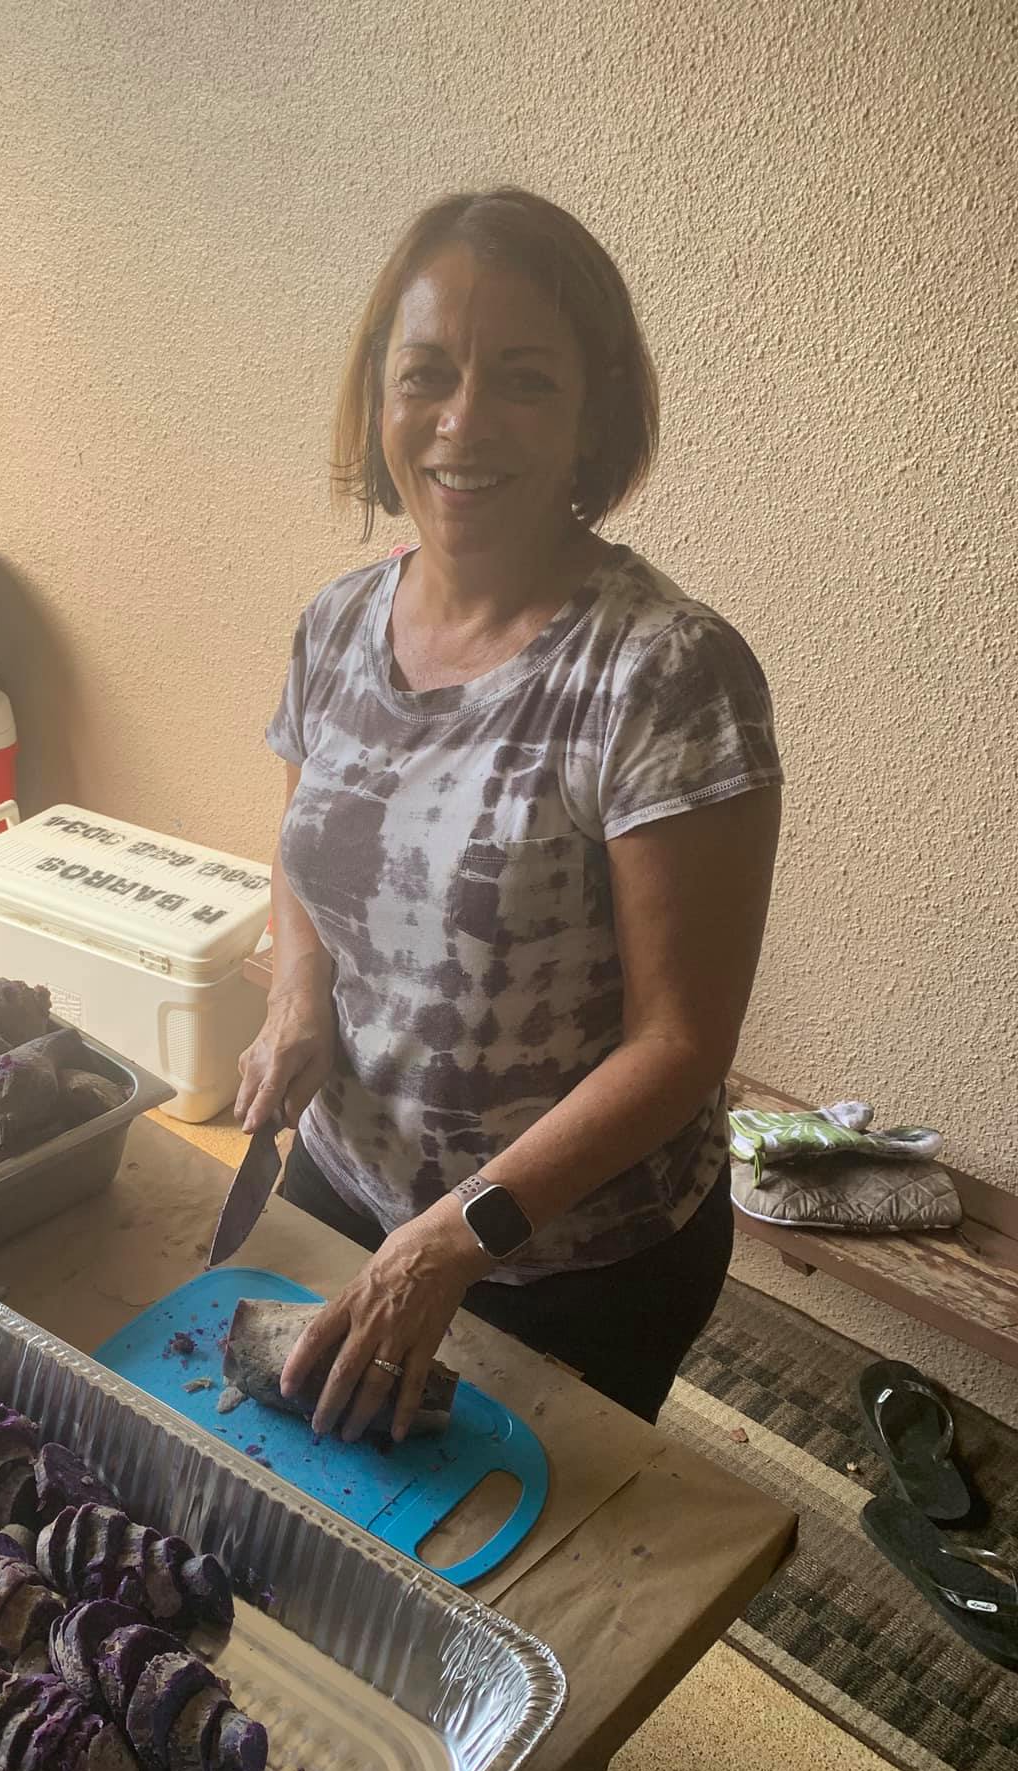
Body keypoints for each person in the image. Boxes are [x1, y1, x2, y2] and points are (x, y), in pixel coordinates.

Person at [235, 187, 783, 1440]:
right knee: (281, 1500)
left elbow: (680, 1042)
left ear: (594, 412)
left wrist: (448, 1242)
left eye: (524, 380)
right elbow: (308, 857)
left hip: (566, 1256)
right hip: (351, 1173)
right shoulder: (335, 624)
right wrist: (295, 999)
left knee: (497, 1586)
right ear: (378, 397)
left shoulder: (667, 673)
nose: (462, 421)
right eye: (427, 373)